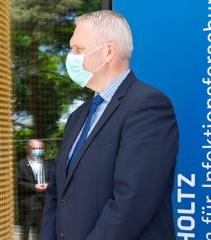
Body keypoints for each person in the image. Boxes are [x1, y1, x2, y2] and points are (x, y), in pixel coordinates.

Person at [40, 10, 179, 240]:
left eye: (79, 49)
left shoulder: (148, 106)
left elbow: (131, 202)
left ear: (108, 52)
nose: (70, 55)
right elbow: (56, 193)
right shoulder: (77, 116)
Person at [16, 139, 50, 240]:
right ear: (28, 149)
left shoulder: (44, 163)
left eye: (39, 148)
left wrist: (47, 185)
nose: (37, 150)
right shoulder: (21, 164)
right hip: (28, 201)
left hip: (42, 201)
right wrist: (33, 187)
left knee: (40, 228)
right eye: (34, 148)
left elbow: (50, 178)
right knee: (26, 229)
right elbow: (18, 183)